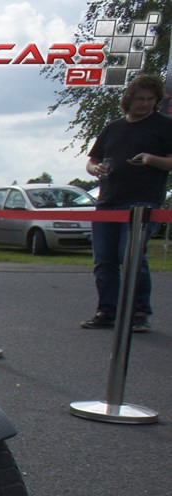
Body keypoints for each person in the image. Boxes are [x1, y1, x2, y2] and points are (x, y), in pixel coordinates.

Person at [83, 73, 169, 333]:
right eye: (140, 99)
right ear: (129, 99)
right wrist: (96, 169)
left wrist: (151, 160)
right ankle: (107, 311)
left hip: (142, 202)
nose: (145, 104)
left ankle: (140, 312)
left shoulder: (165, 126)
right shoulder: (113, 128)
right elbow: (92, 161)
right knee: (104, 260)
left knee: (130, 256)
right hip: (107, 202)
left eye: (150, 99)